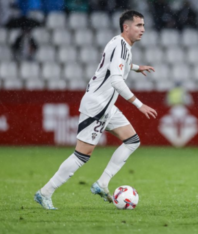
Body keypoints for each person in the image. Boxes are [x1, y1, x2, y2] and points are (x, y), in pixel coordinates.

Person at [34, 10, 157, 210]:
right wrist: (139, 104)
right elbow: (116, 80)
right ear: (126, 27)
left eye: (143, 25)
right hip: (97, 106)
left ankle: (102, 184)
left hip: (107, 106)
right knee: (82, 155)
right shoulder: (121, 46)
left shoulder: (119, 44)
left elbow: (116, 66)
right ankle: (44, 192)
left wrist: (135, 67)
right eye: (138, 25)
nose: (143, 29)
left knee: (132, 141)